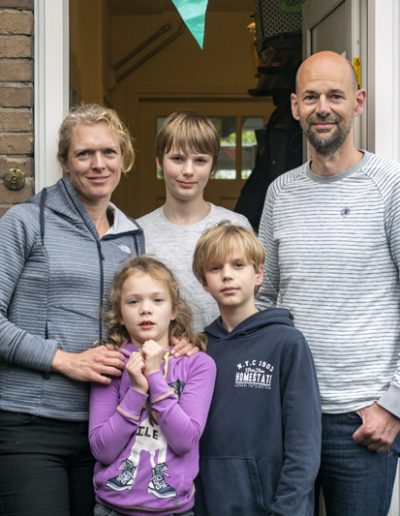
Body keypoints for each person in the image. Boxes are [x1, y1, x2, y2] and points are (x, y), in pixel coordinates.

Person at [257, 50, 400, 516]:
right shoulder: (280, 193)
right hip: (287, 414)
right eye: (312, 96)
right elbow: (264, 298)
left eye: (335, 95)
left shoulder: (389, 185)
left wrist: (394, 404)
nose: (323, 107)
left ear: (357, 102)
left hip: (361, 420)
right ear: (295, 106)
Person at [0, 103, 145, 515]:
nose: (98, 164)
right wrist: (63, 360)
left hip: (106, 430)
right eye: (84, 154)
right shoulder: (25, 223)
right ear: (64, 162)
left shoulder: (132, 237)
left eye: (109, 152)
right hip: (30, 426)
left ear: (124, 158)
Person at [192, 222, 321, 515]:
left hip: (272, 507)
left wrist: (287, 509)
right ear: (203, 282)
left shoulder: (287, 343)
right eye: (215, 268)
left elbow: (304, 444)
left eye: (238, 265)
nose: (227, 275)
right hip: (205, 503)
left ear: (259, 274)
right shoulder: (198, 348)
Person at [89, 255, 216, 516]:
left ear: (173, 311)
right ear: (120, 315)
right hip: (112, 510)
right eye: (133, 301)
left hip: (172, 511)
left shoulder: (198, 365)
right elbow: (102, 450)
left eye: (157, 300)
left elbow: (185, 441)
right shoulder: (110, 362)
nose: (146, 309)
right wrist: (136, 391)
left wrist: (155, 377)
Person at [138, 110, 252, 332]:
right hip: (162, 361)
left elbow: (253, 301)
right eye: (178, 159)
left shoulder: (236, 225)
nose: (188, 171)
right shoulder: (138, 232)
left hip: (226, 355)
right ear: (159, 162)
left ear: (213, 166)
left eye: (200, 160)